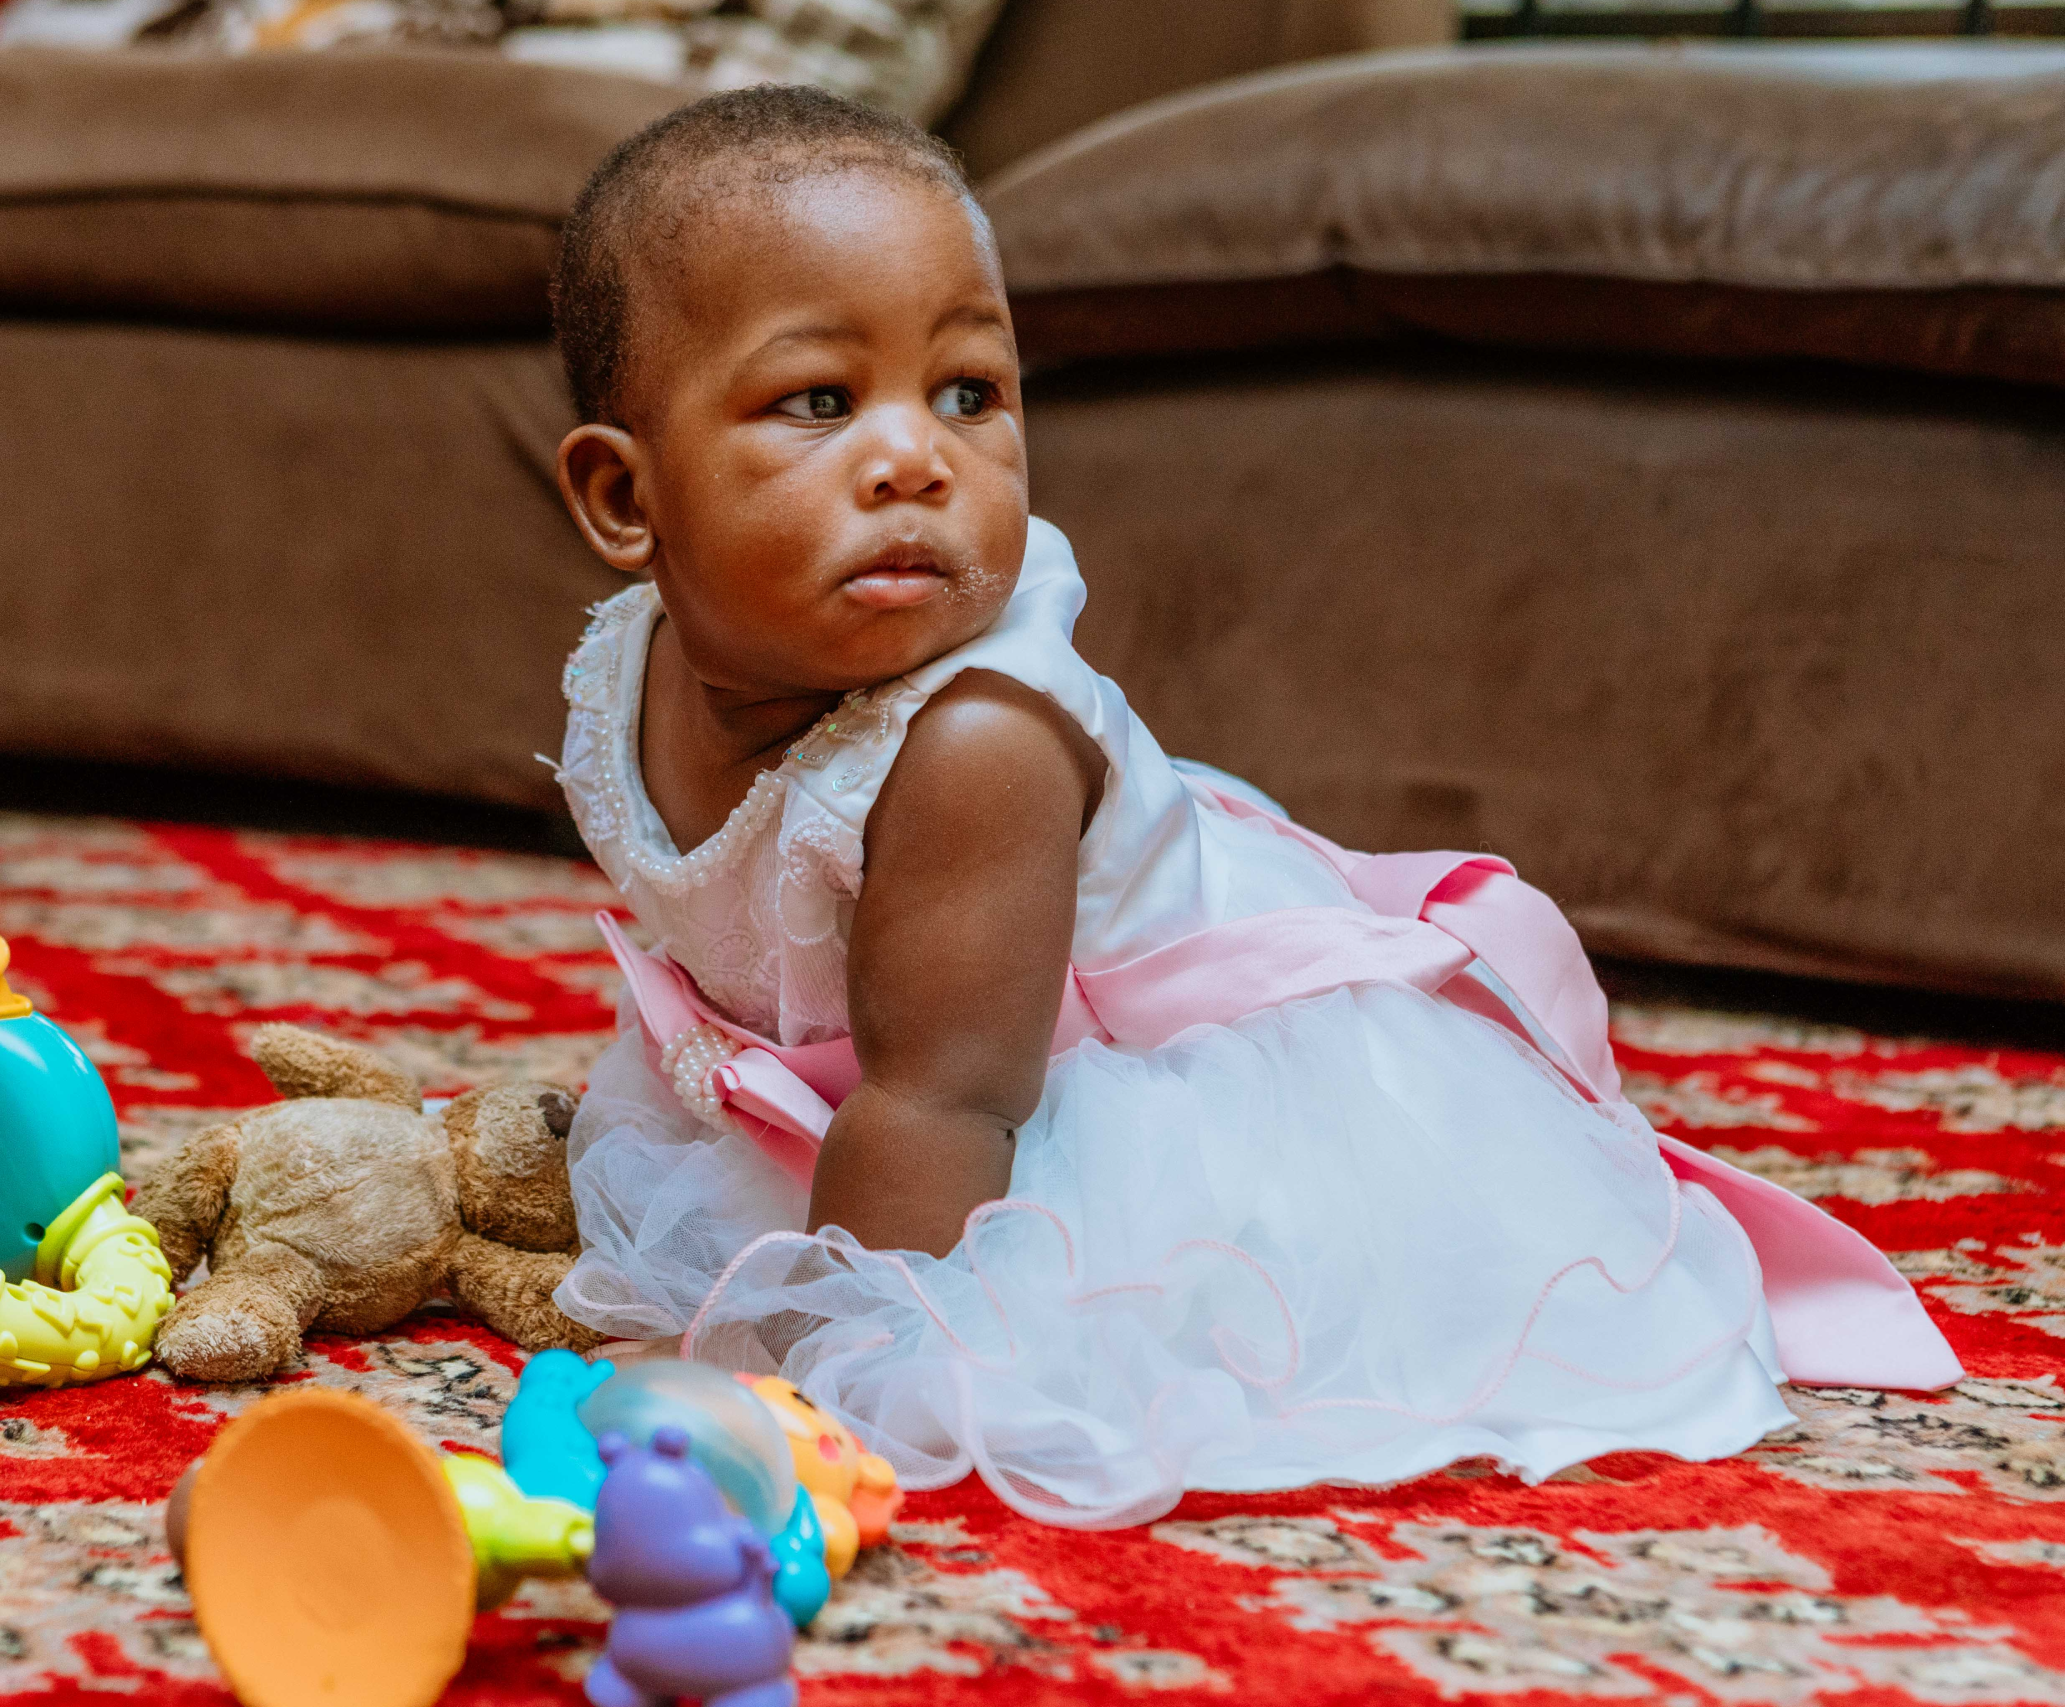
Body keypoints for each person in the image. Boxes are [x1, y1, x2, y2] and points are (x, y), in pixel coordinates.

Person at [539, 85, 1958, 1528]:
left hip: (1083, 1081)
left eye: (970, 391)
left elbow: (942, 1102)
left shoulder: (979, 746)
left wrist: (808, 1387)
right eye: (820, 402)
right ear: (625, 499)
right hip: (915, 1044)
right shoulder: (631, 661)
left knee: (1139, 1332)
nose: (919, 457)